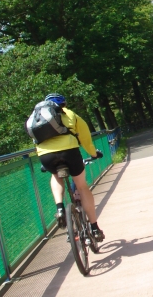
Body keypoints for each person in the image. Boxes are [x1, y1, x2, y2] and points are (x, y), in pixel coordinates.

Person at [36, 93, 105, 241]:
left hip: (46, 156)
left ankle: (60, 208)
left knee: (55, 176)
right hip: (69, 152)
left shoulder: (38, 116)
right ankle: (94, 228)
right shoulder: (71, 114)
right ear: (64, 105)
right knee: (81, 186)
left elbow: (38, 141)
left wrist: (44, 162)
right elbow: (85, 139)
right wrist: (93, 154)